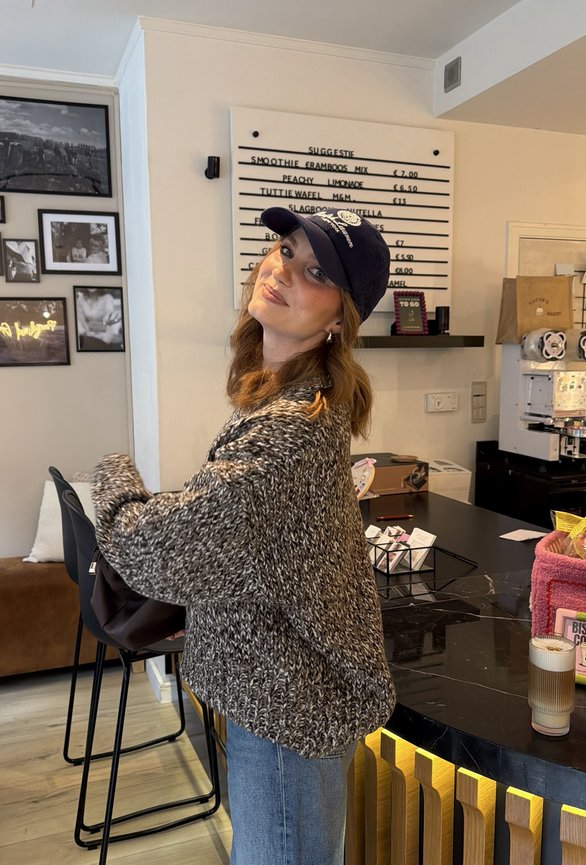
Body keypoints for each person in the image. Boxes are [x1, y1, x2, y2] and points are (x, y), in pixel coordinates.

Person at [91, 206, 396, 865]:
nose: (282, 268)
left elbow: (153, 547)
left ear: (338, 318)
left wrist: (112, 473)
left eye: (314, 271)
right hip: (286, 689)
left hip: (285, 707)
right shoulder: (293, 394)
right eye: (284, 248)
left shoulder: (288, 429)